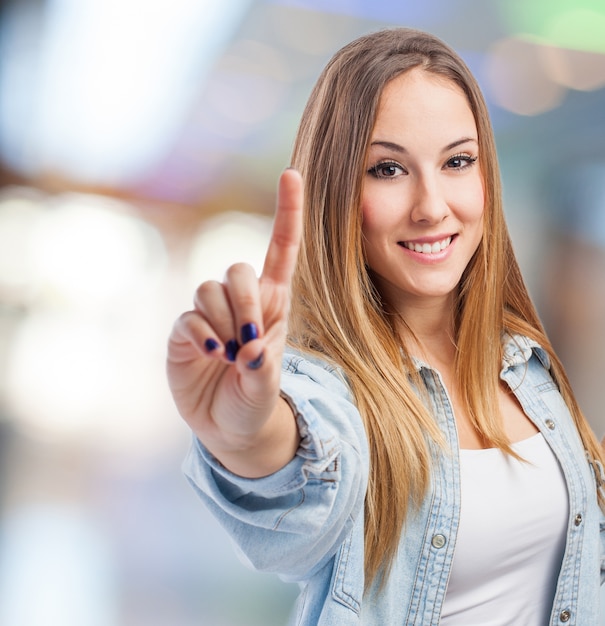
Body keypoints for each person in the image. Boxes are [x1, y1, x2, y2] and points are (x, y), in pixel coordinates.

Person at [167, 27, 605, 625]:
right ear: (336, 191)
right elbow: (302, 496)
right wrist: (247, 434)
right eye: (388, 169)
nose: (431, 205)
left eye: (457, 161)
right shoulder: (326, 390)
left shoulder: (525, 363)